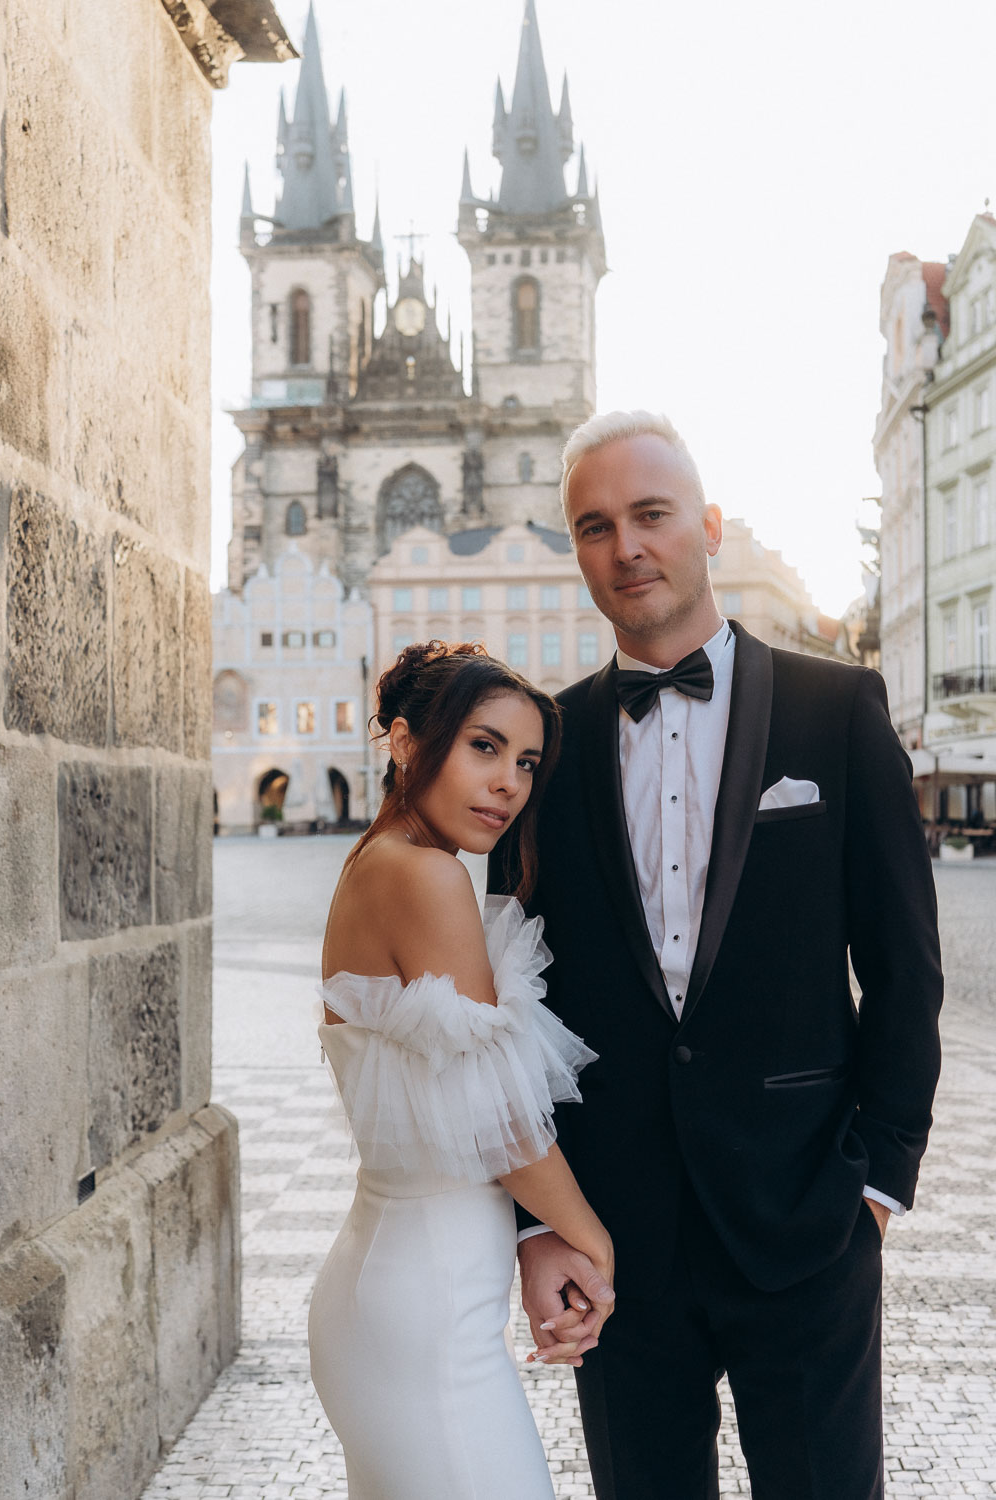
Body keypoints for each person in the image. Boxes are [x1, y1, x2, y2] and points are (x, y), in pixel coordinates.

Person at [490, 412, 944, 1499]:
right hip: (613, 1234)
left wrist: (879, 1178)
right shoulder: (542, 746)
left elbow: (903, 963)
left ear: (708, 525)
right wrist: (535, 1224)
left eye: (650, 515)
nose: (626, 548)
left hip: (806, 1214)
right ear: (577, 551)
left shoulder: (838, 710)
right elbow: (511, 1010)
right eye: (594, 527)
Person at [308, 640, 615, 1500]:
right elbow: (502, 1117)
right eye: (484, 746)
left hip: (401, 1290)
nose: (509, 783)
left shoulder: (378, 861)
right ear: (406, 741)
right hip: (425, 1315)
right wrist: (591, 1239)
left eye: (525, 762)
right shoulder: (425, 875)